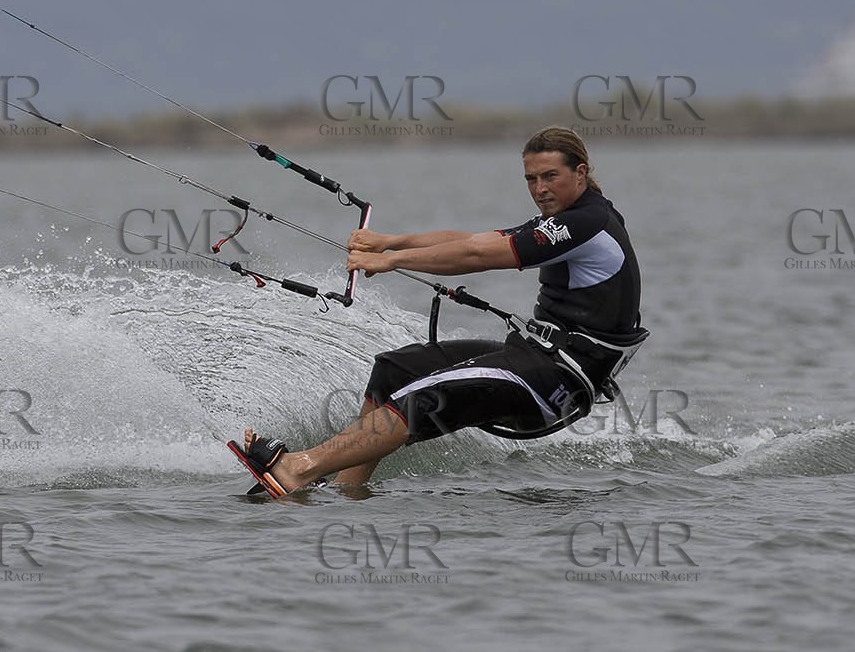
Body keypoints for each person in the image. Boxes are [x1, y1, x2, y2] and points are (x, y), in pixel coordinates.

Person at [228, 127, 646, 496]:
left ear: (580, 172)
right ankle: (347, 492)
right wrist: (391, 242)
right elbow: (471, 238)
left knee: (421, 398)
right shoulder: (564, 217)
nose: (540, 189)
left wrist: (391, 262)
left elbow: (479, 255)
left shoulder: (586, 222)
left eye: (550, 177)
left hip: (561, 380)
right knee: (394, 370)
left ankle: (298, 468)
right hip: (536, 356)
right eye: (531, 179)